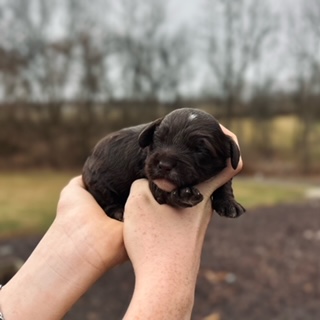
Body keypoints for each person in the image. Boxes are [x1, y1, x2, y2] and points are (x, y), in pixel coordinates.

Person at [0, 126, 242, 320]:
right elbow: (153, 187)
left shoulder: (219, 154)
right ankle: (112, 207)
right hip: (105, 180)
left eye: (199, 151)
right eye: (160, 142)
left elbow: (222, 171)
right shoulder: (135, 157)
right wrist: (171, 274)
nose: (166, 161)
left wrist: (225, 196)